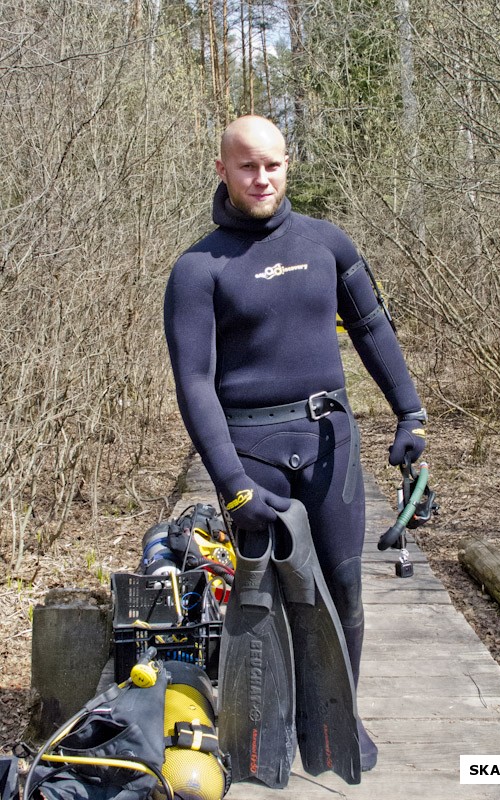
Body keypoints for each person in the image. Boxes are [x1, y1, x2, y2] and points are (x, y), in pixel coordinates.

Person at [164, 115, 426, 772]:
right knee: (262, 601)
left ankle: (337, 726)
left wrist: (410, 413)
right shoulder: (197, 270)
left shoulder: (327, 243)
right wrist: (232, 483)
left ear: (288, 166)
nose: (262, 177)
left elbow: (372, 329)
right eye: (247, 165)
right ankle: (265, 737)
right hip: (250, 454)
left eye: (273, 164)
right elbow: (194, 383)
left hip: (329, 442)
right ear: (222, 169)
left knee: (344, 592)